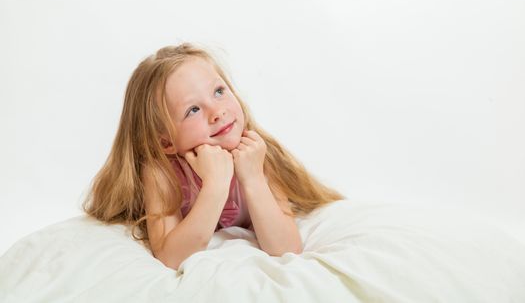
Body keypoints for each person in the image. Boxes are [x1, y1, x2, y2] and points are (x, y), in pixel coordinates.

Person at [82, 43, 345, 270]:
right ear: (165, 141)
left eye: (219, 92)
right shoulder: (161, 172)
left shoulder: (255, 153)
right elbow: (171, 258)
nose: (217, 112)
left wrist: (252, 178)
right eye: (193, 109)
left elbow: (287, 248)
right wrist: (216, 186)